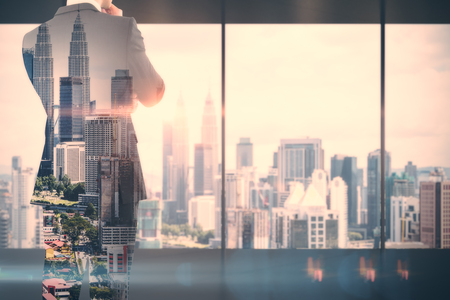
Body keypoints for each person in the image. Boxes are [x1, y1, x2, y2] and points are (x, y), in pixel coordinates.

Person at [22, 1, 164, 299]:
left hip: (60, 179)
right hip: (116, 178)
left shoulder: (31, 38)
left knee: (59, 283)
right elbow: (153, 94)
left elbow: (53, 103)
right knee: (111, 286)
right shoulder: (124, 28)